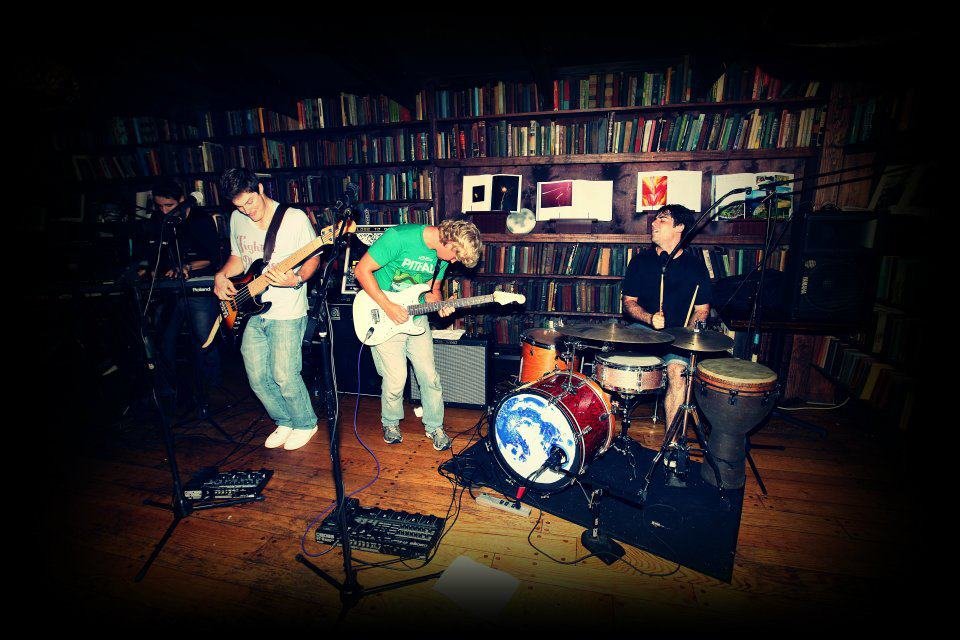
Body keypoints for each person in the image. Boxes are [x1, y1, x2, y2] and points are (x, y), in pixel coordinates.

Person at [213, 168, 320, 451]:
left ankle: (306, 423)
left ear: (259, 189)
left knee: (284, 374)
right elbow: (238, 257)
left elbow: (313, 258)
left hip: (287, 309)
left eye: (250, 202)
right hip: (249, 309)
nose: (246, 211)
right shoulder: (237, 218)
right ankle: (284, 420)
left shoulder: (293, 218)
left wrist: (296, 279)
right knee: (258, 378)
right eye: (239, 206)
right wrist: (221, 275)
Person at [353, 219, 483, 451]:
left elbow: (432, 291)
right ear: (448, 240)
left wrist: (440, 305)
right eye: (455, 255)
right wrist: (388, 306)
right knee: (396, 378)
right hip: (382, 313)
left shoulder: (441, 258)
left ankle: (435, 426)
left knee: (429, 376)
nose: (454, 261)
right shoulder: (399, 237)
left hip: (416, 318)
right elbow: (361, 271)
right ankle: (390, 422)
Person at [622, 204, 712, 429]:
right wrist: (649, 318)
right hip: (642, 331)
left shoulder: (696, 267)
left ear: (679, 227)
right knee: (616, 363)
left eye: (662, 219)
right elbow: (629, 303)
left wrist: (688, 333)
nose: (653, 223)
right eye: (655, 219)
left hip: (677, 337)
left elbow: (702, 310)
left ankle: (671, 441)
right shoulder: (640, 261)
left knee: (678, 372)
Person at [139, 178, 222, 403]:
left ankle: (211, 388)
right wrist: (150, 269)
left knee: (205, 338)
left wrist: (186, 267)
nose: (164, 211)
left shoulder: (200, 219)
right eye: (160, 206)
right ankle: (170, 390)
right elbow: (154, 253)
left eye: (169, 205)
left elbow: (213, 256)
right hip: (169, 289)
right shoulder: (158, 220)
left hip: (198, 286)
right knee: (164, 339)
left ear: (182, 200)